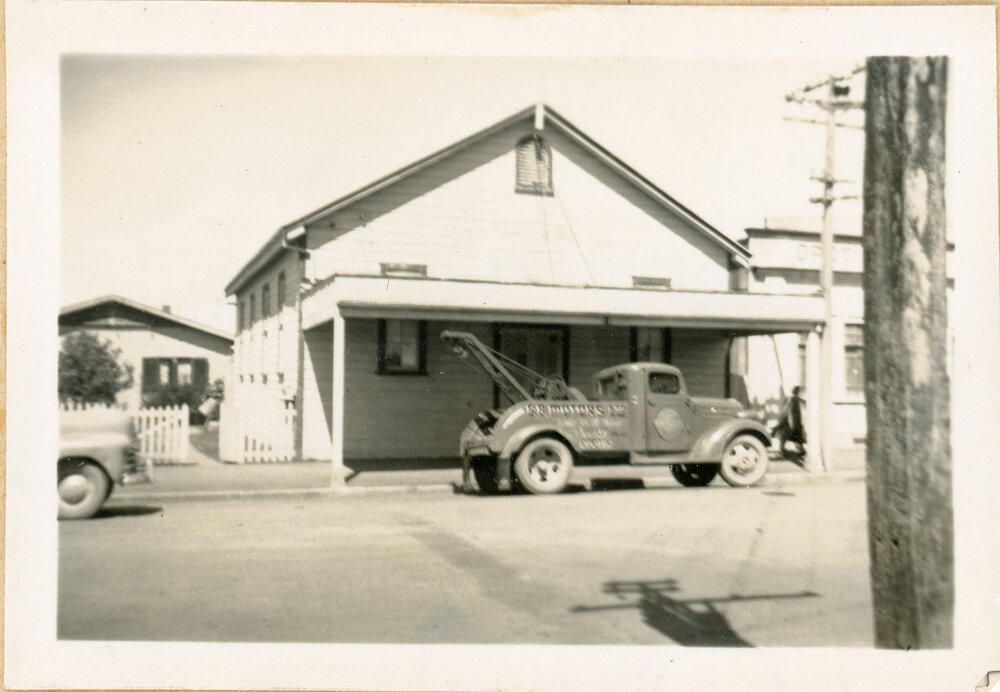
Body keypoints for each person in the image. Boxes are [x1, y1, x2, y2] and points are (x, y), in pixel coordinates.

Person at [772, 386, 806, 457]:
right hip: (793, 421)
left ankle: (781, 451)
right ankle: (801, 450)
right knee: (796, 437)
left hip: (788, 421)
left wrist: (780, 419)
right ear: (797, 392)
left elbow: (785, 410)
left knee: (784, 437)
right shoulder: (795, 398)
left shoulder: (790, 398)